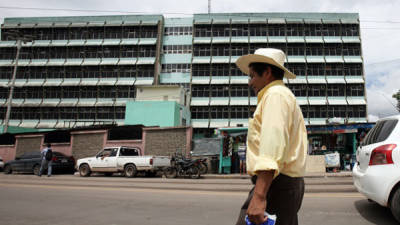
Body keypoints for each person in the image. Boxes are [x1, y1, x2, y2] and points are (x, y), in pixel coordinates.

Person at [235, 48, 307, 225]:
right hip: (280, 185)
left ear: (267, 73)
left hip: (275, 185)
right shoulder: (280, 96)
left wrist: (259, 196)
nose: (250, 82)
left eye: (252, 76)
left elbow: (271, 147)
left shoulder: (275, 96)